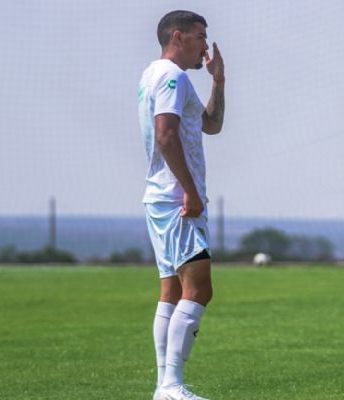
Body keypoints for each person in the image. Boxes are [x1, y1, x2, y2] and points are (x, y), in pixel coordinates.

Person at [137, 9, 225, 400]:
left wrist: (218, 80)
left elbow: (212, 124)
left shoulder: (154, 75)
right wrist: (189, 190)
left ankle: (164, 387)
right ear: (178, 36)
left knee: (171, 292)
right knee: (199, 288)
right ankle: (171, 385)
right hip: (177, 200)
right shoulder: (172, 76)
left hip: (161, 197)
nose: (205, 46)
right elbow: (166, 135)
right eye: (200, 37)